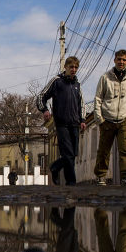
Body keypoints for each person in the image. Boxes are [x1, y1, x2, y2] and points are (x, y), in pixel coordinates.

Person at [93, 49, 126, 186]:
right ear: (114, 60)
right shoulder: (105, 77)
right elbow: (97, 99)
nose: (121, 62)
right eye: (119, 59)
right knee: (103, 150)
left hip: (125, 120)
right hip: (107, 120)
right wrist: (99, 119)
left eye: (124, 60)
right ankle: (101, 176)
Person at [37, 56, 86, 186]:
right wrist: (45, 110)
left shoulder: (77, 85)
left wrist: (82, 120)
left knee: (73, 154)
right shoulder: (57, 81)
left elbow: (81, 104)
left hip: (75, 123)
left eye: (76, 67)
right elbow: (41, 96)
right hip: (61, 123)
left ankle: (55, 167)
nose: (73, 70)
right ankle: (71, 182)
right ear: (65, 67)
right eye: (71, 67)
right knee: (68, 153)